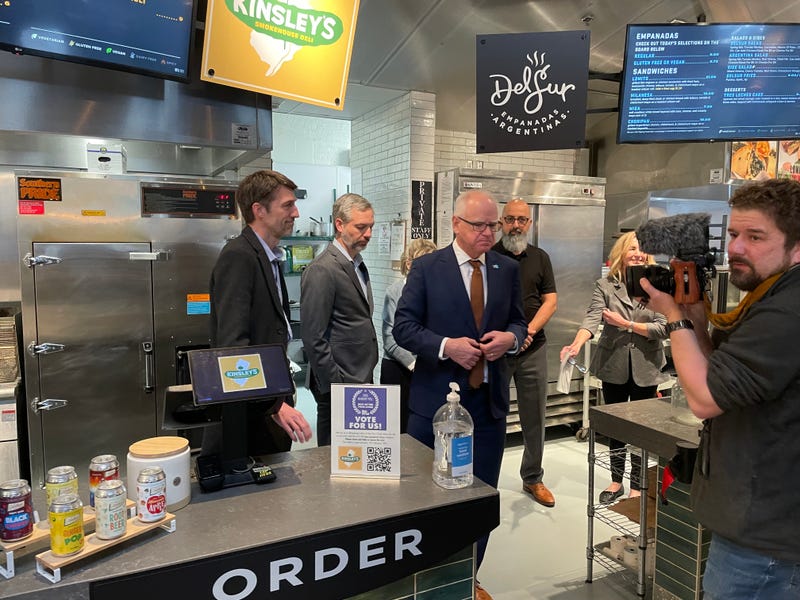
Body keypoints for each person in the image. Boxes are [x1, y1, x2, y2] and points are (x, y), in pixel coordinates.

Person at [641, 178, 800, 600]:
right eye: (733, 234)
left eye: (756, 237)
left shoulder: (788, 311)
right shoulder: (773, 294)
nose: (737, 248)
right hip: (763, 523)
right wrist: (694, 317)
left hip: (766, 542)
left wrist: (673, 317)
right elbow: (721, 371)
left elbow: (705, 398)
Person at [394, 190, 527, 600]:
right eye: (478, 225)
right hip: (434, 405)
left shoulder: (506, 269)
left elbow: (519, 322)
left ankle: (467, 577)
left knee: (479, 500)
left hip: (487, 408)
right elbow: (403, 328)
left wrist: (511, 339)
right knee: (424, 499)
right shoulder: (427, 268)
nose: (488, 233)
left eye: (493, 225)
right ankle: (419, 580)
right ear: (455, 223)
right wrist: (446, 346)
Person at [209, 169, 312, 454]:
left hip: (270, 399)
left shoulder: (270, 258)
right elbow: (233, 346)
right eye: (287, 205)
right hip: (249, 414)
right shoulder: (239, 256)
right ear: (259, 211)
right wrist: (274, 405)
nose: (296, 213)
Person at [560, 231, 668, 502]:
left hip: (646, 366)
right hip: (613, 365)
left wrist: (626, 325)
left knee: (641, 428)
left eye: (642, 248)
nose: (637, 253)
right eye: (632, 248)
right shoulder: (606, 285)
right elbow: (591, 318)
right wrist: (575, 344)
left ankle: (637, 486)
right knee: (616, 425)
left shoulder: (659, 285)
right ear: (622, 253)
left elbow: (663, 327)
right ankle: (616, 481)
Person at [492, 199, 558, 507]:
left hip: (534, 348)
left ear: (529, 223)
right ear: (501, 222)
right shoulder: (489, 256)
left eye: (521, 220)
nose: (515, 225)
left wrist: (527, 332)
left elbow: (550, 301)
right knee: (493, 414)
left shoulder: (540, 258)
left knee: (535, 417)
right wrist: (510, 338)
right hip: (498, 350)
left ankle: (532, 477)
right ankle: (485, 478)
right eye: (510, 219)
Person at [300, 193, 378, 447]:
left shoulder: (356, 264)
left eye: (371, 227)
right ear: (340, 224)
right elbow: (313, 337)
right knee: (335, 458)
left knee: (358, 454)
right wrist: (336, 385)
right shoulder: (323, 269)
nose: (368, 234)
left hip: (359, 378)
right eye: (361, 227)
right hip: (339, 383)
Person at [380, 238, 438, 433]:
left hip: (428, 368)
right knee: (398, 429)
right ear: (409, 264)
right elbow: (390, 339)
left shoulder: (437, 293)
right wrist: (413, 364)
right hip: (399, 368)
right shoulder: (395, 292)